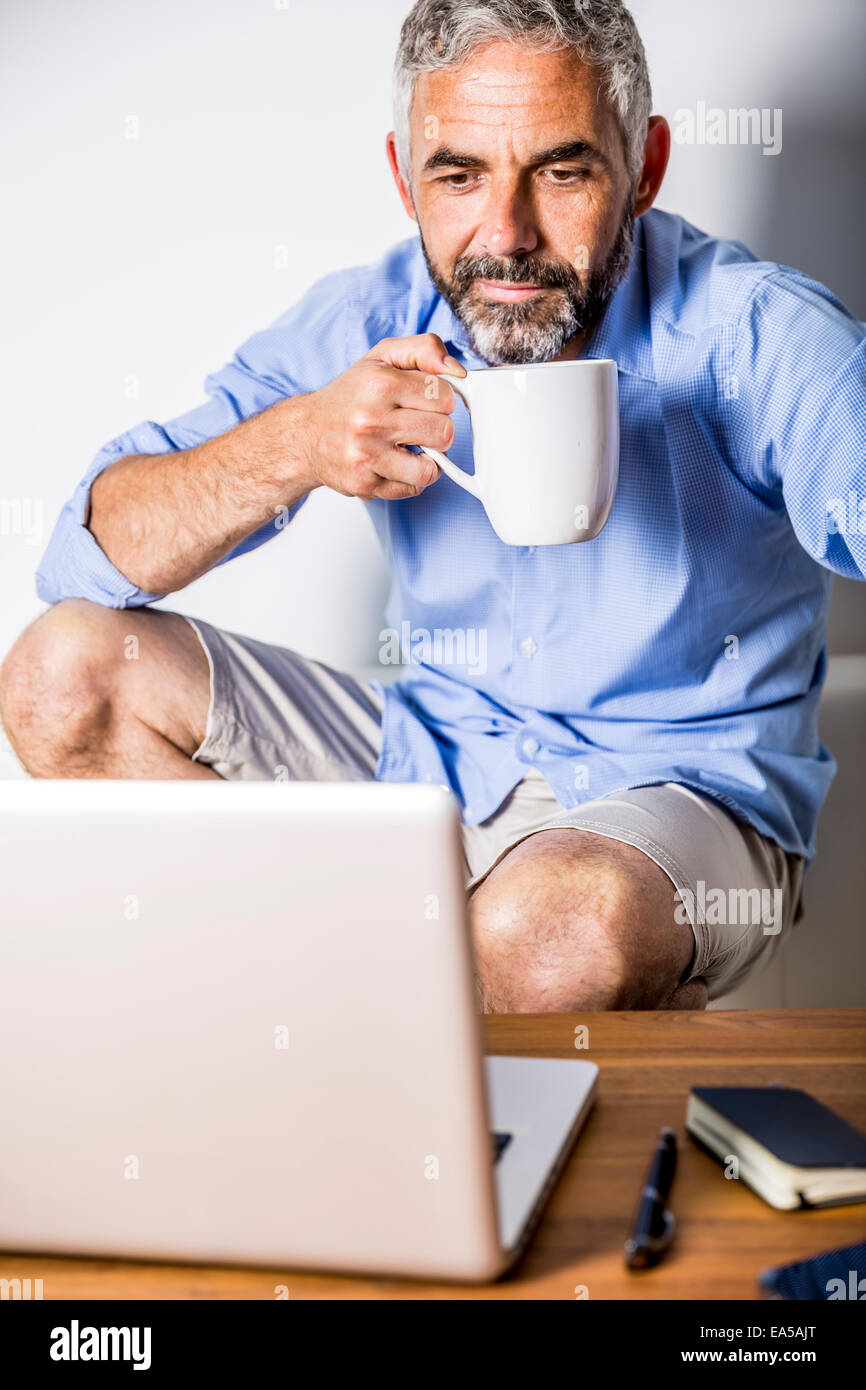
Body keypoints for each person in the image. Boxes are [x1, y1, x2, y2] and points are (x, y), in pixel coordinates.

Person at [2, 0, 864, 1013]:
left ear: (644, 169)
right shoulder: (367, 319)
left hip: (686, 790)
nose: (504, 236)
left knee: (547, 931)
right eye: (458, 175)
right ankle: (385, 1014)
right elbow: (85, 556)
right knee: (61, 677)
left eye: (560, 170)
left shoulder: (748, 333)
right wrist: (300, 441)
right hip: (433, 756)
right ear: (404, 176)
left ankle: (337, 1016)